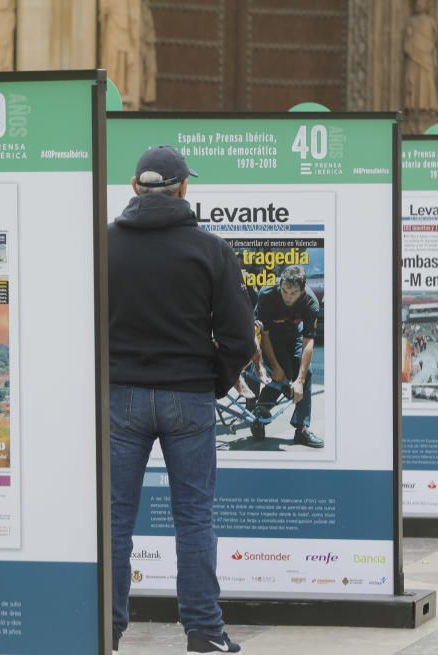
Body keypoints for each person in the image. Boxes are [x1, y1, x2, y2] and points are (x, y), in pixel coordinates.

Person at [108, 146, 254, 654]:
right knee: (194, 517)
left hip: (119, 399)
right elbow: (240, 337)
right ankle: (205, 633)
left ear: (133, 187)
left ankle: (106, 631)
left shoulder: (103, 244)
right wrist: (212, 380)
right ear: (183, 189)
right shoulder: (211, 250)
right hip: (188, 398)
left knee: (115, 519)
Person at [250, 265, 324, 447]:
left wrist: (299, 379)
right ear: (280, 284)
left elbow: (308, 342)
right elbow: (264, 335)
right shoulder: (267, 294)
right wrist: (274, 367)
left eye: (293, 293)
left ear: (302, 290)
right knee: (282, 373)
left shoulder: (311, 302)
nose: (288, 296)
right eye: (284, 291)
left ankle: (301, 429)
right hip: (271, 337)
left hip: (295, 336)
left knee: (305, 374)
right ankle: (260, 414)